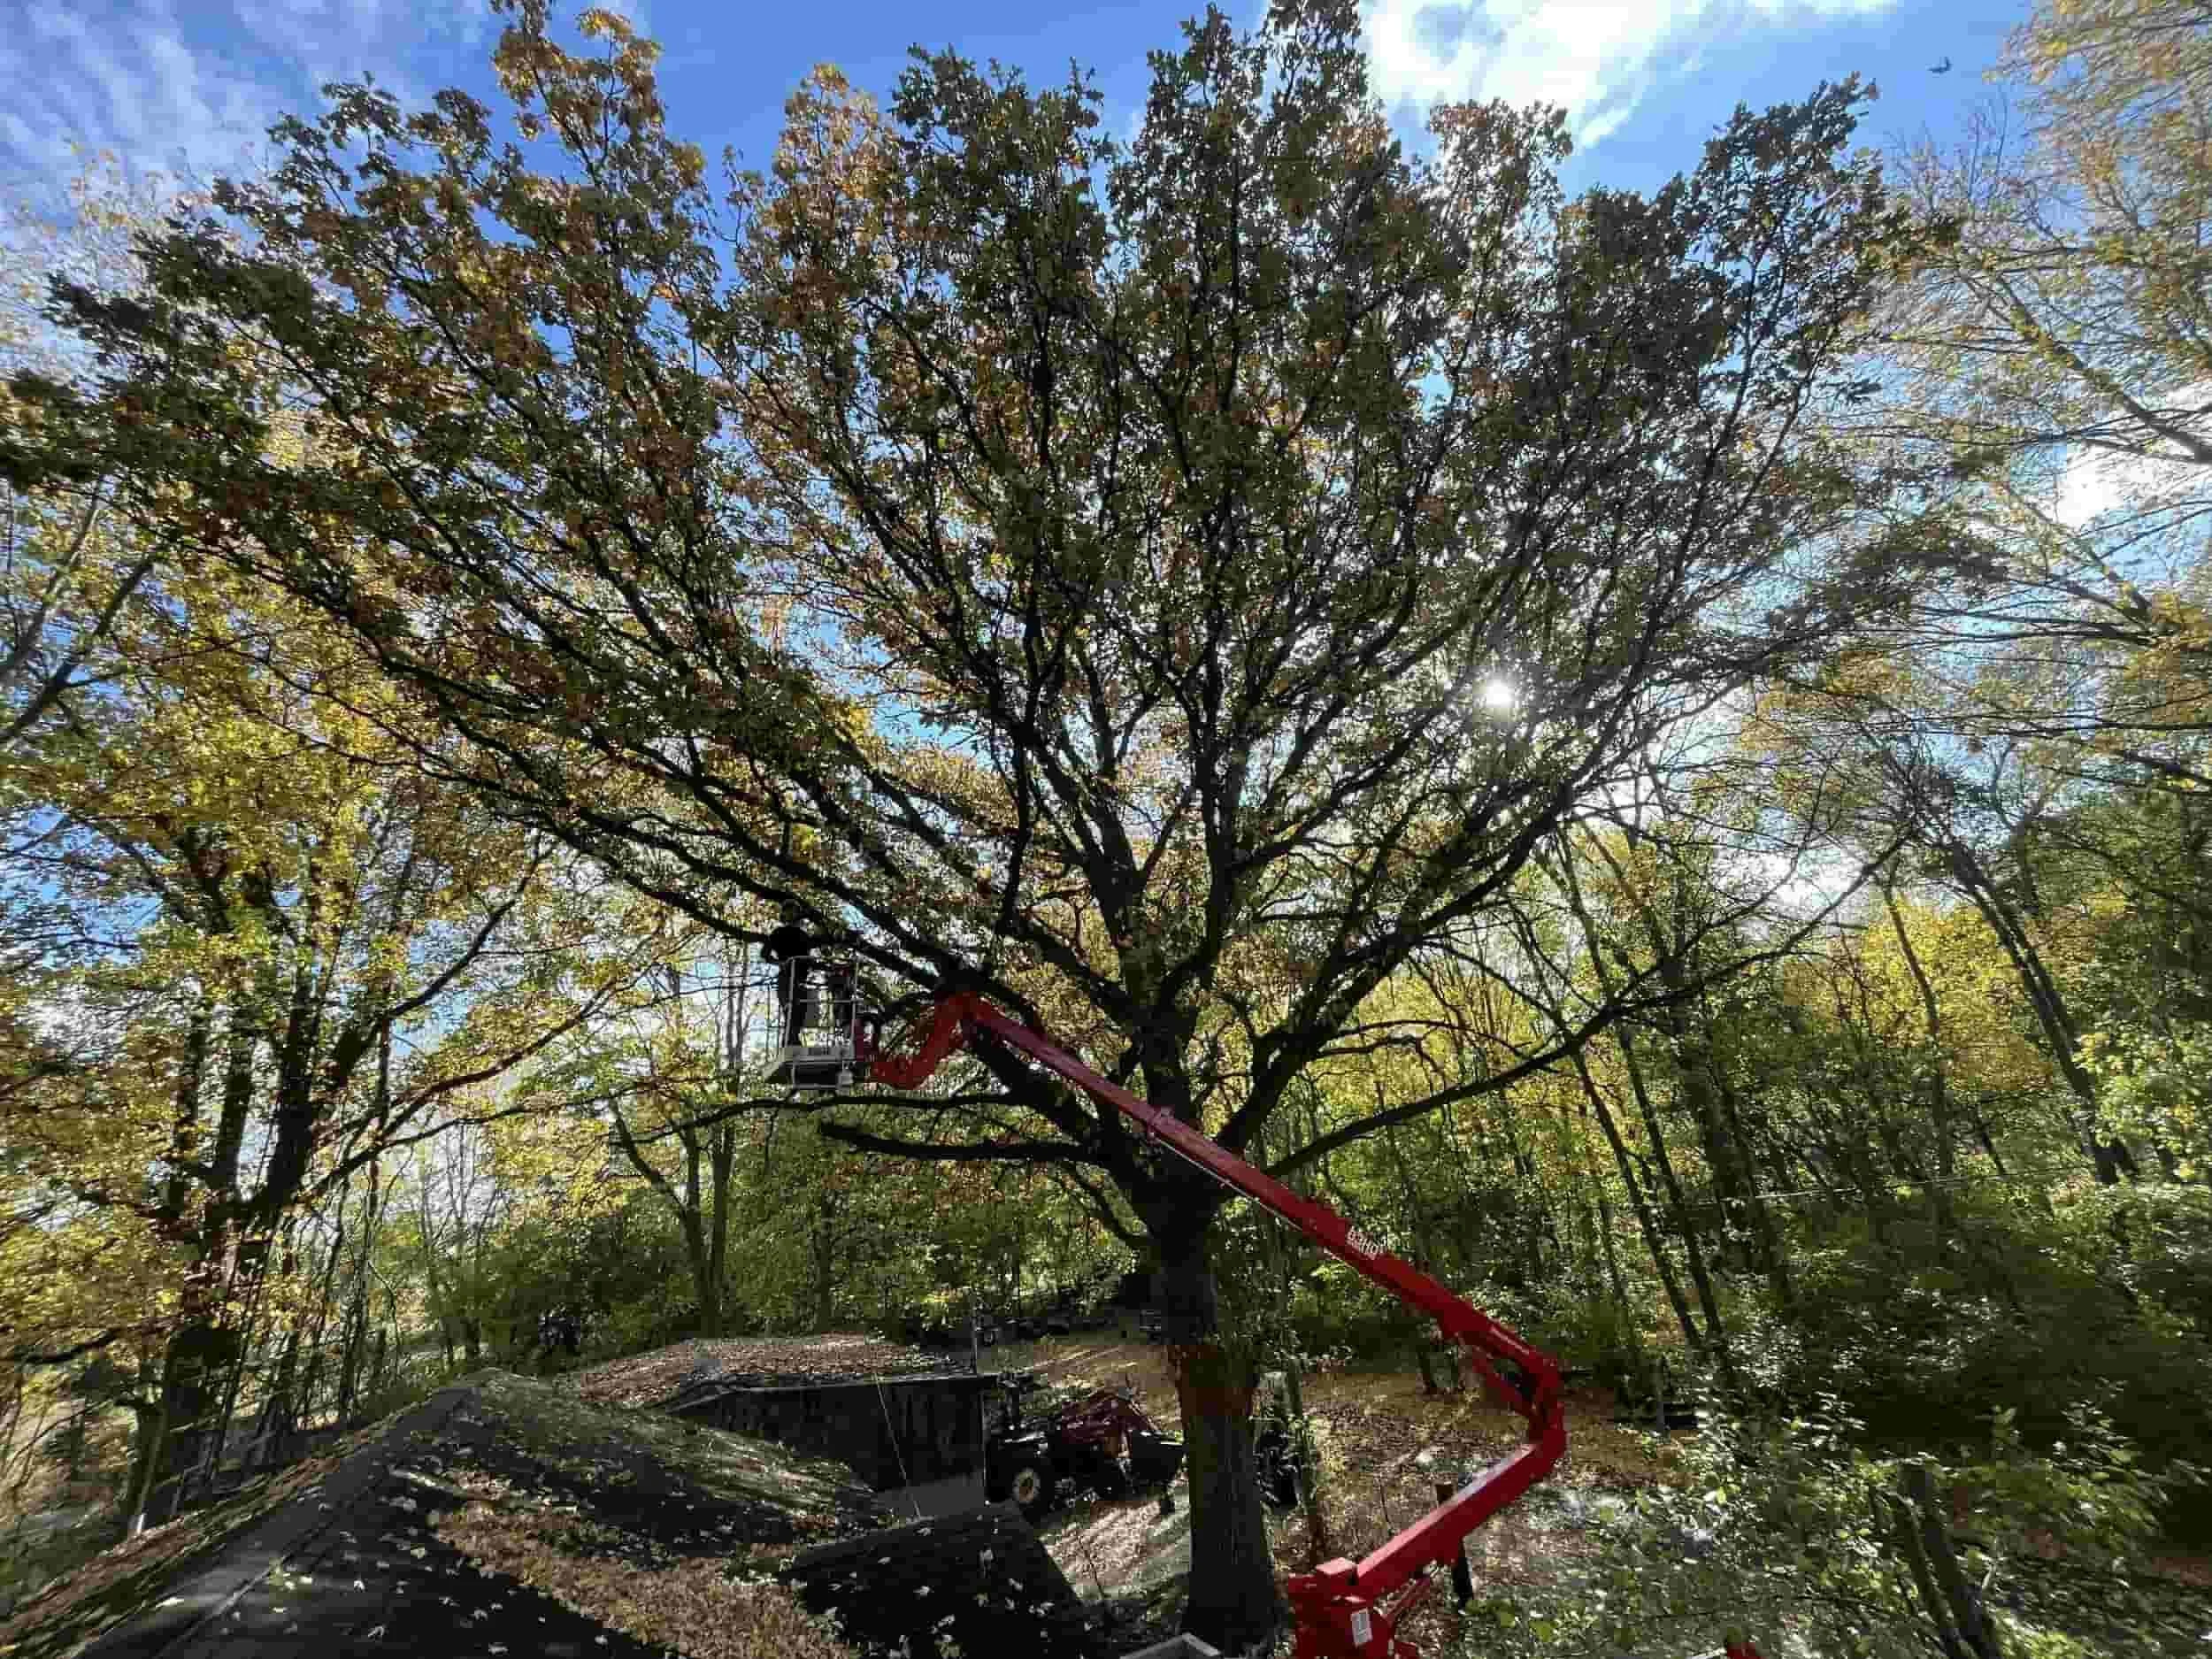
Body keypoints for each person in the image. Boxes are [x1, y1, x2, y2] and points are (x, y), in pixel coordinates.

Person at [763, 914, 817, 1046]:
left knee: (801, 1012)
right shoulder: (779, 933)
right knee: (790, 1009)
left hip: (801, 979)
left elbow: (809, 957)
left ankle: (793, 1041)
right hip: (786, 978)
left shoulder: (804, 936)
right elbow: (765, 954)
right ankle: (789, 1042)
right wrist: (781, 963)